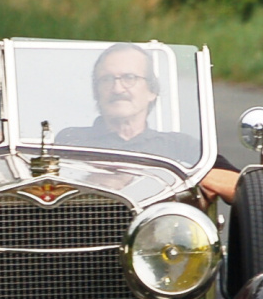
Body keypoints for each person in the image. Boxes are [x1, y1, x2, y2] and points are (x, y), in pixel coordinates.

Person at [57, 42, 238, 203]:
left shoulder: (181, 146)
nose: (117, 88)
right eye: (106, 79)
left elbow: (240, 187)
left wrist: (183, 177)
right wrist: (91, 178)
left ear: (152, 91)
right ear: (96, 92)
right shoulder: (72, 140)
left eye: (129, 78)